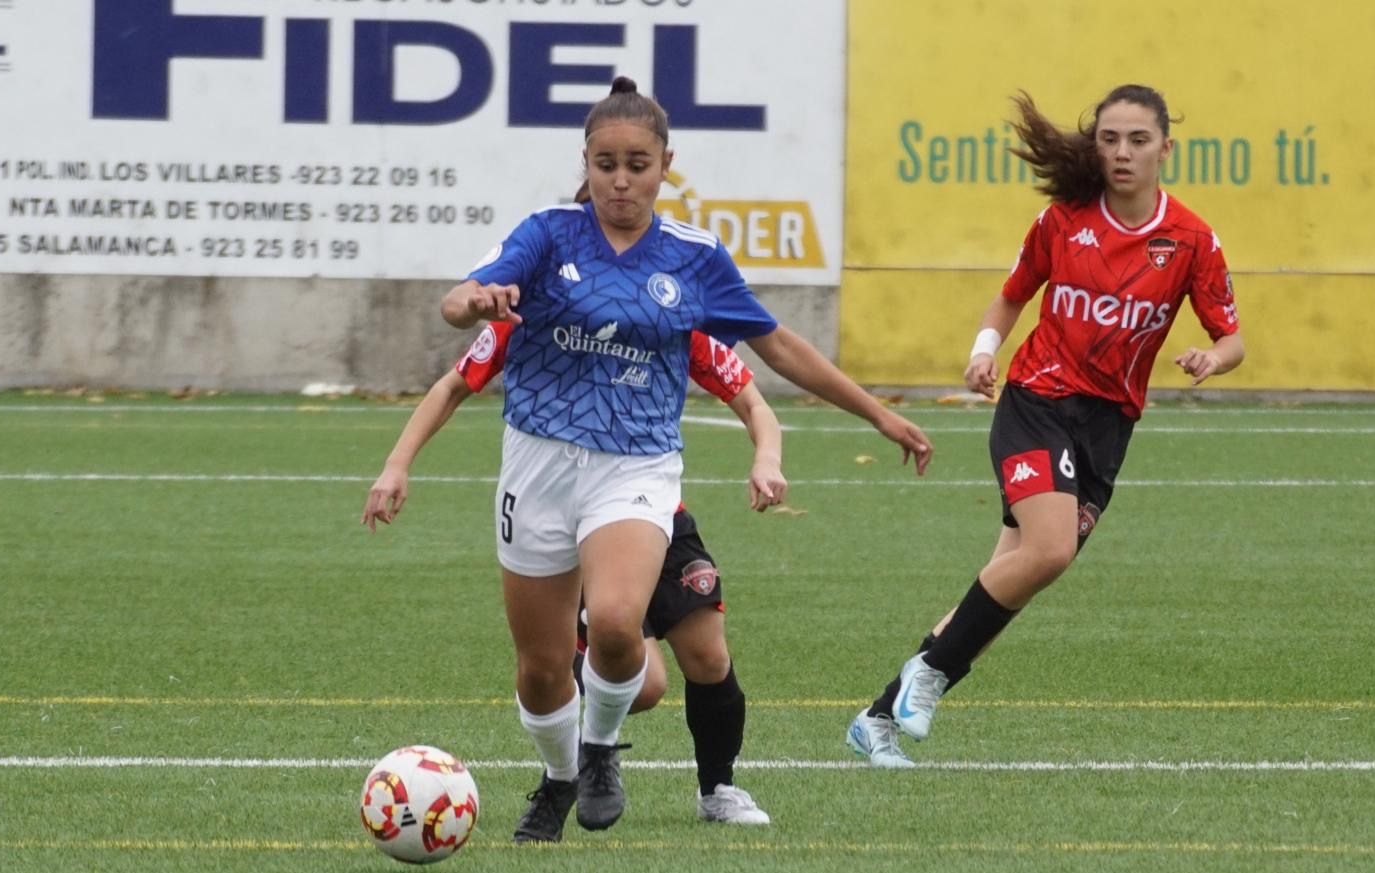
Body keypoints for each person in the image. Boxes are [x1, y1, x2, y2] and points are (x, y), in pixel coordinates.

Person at [435, 76, 932, 834]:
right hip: (536, 462)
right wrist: (472, 300)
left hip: (635, 464)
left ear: (667, 163)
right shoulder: (546, 232)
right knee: (539, 669)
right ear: (587, 162)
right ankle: (560, 774)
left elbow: (783, 348)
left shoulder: (695, 258)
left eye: (638, 163)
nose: (621, 180)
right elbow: (460, 297)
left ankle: (599, 749)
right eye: (606, 163)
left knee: (613, 621)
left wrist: (876, 413)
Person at [847, 84, 1244, 767]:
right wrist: (982, 351)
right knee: (1050, 550)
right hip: (1037, 402)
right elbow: (1011, 296)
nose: (1121, 153)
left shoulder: (1190, 240)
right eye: (1110, 139)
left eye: (1138, 140)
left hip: (1107, 428)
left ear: (1166, 149)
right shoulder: (1064, 222)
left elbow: (1233, 336)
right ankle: (931, 677)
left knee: (1011, 580)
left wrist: (1214, 356)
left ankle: (879, 716)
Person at [364, 317, 781, 831]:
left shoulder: (666, 311)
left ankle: (717, 788)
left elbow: (753, 398)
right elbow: (455, 381)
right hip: (566, 517)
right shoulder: (532, 310)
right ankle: (571, 764)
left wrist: (767, 456)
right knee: (643, 685)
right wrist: (396, 464)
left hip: (652, 510)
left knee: (709, 654)